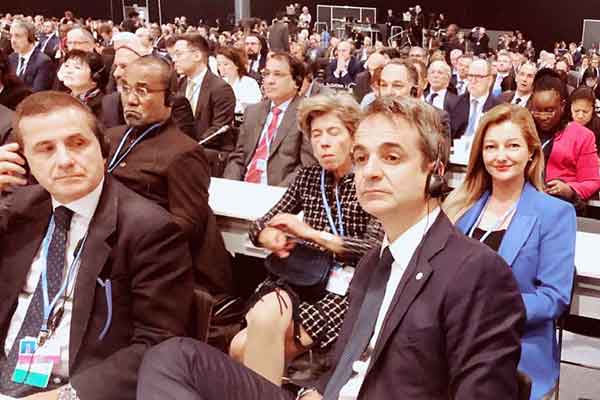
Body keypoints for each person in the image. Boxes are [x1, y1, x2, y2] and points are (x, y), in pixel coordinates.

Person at [136, 95, 526, 400]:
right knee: (174, 357)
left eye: (391, 157)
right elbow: (349, 360)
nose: (370, 171)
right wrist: (317, 389)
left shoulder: (476, 270)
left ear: (435, 173)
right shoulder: (375, 261)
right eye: (362, 157)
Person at [0, 91, 192, 399]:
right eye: (45, 149)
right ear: (26, 162)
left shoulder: (149, 229)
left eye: (77, 143)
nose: (65, 161)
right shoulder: (16, 209)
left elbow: (157, 344)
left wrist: (63, 397)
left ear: (102, 150)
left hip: (75, 388)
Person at [224, 93, 383, 385]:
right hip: (303, 277)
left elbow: (374, 248)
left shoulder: (370, 180)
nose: (324, 142)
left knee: (247, 345)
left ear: (353, 136)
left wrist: (311, 234)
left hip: (347, 289)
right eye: (316, 134)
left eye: (333, 132)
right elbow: (260, 224)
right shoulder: (309, 178)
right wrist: (267, 235)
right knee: (244, 342)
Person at [444, 104, 576, 399]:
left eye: (512, 145)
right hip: (452, 347)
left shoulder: (555, 213)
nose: (501, 156)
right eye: (491, 147)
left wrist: (486, 310)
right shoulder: (459, 207)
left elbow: (553, 298)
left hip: (514, 353)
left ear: (531, 152)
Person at [106, 56, 234, 314]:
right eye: (125, 88)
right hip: (105, 248)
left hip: (153, 265)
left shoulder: (183, 152)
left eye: (142, 91)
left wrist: (128, 240)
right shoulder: (111, 137)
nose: (131, 99)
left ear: (169, 98)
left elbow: (188, 224)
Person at [223, 52, 316, 186]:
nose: (269, 81)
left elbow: (307, 167)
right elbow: (239, 157)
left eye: (278, 74)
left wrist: (275, 194)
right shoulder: (253, 112)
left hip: (280, 191)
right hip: (242, 188)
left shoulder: (307, 114)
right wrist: (230, 186)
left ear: (296, 81)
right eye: (266, 74)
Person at [530, 69, 600, 202]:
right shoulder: (525, 130)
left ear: (562, 106)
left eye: (549, 110)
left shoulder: (582, 136)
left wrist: (569, 189)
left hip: (561, 204)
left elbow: (592, 181)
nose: (543, 116)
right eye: (537, 110)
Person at [173, 33, 236, 151]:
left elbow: (219, 129)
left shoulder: (220, 88)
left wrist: (191, 147)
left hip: (210, 151)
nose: (174, 59)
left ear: (197, 56)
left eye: (178, 54)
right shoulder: (179, 84)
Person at [450, 59, 501, 139]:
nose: (473, 81)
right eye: (470, 76)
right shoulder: (455, 103)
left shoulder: (498, 109)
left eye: (479, 77)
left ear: (490, 80)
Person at [8, 19, 54, 92]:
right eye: (11, 36)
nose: (13, 40)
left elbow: (37, 94)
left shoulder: (44, 62)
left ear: (30, 37)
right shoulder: (11, 58)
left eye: (17, 36)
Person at [57, 50, 107, 117]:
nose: (68, 71)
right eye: (67, 66)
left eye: (77, 67)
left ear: (95, 76)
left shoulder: (103, 104)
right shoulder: (61, 98)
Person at [215, 46, 262, 115]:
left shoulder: (249, 83)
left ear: (236, 65)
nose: (222, 68)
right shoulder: (219, 84)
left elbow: (254, 107)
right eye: (219, 64)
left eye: (226, 64)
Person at [569, 86, 600, 154]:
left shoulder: (598, 127)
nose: (580, 116)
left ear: (593, 110)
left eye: (585, 112)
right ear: (571, 107)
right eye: (576, 111)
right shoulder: (563, 124)